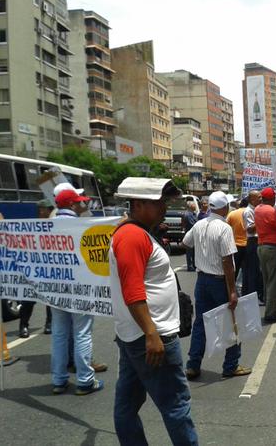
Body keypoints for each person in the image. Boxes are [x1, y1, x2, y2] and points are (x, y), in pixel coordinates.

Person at [108, 178, 198, 445]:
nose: (163, 208)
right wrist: (151, 334)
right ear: (137, 204)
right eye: (158, 202)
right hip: (151, 337)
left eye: (164, 202)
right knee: (176, 406)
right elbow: (133, 292)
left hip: (135, 336)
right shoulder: (132, 236)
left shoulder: (135, 232)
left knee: (127, 404)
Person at [184, 191, 252, 380]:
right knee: (231, 322)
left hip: (202, 279)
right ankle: (231, 365)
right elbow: (227, 262)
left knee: (200, 323)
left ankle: (193, 364)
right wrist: (232, 291)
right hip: (219, 281)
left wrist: (203, 250)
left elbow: (185, 242)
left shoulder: (199, 224)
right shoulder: (224, 228)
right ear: (224, 208)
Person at [50, 187, 103, 395]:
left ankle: (59, 380)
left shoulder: (47, 227)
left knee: (59, 334)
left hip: (54, 288)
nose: (83, 205)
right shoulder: (81, 225)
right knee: (82, 333)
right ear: (71, 205)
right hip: (80, 288)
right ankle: (85, 380)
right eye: (80, 202)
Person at [18, 199, 54, 338]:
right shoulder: (32, 226)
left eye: (47, 209)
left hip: (50, 267)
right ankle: (23, 325)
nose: (45, 211)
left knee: (50, 297)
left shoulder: (54, 225)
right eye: (45, 209)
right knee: (29, 297)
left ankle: (49, 324)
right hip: (34, 268)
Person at [254, 187, 276, 323]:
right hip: (273, 248)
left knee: (267, 280)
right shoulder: (271, 211)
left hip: (262, 246)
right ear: (272, 198)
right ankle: (270, 312)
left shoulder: (258, 209)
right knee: (275, 282)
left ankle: (272, 307)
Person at [242, 190, 264, 303]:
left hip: (259, 241)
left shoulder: (257, 210)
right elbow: (249, 229)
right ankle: (253, 297)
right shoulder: (248, 211)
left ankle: (259, 295)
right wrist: (260, 220)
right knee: (253, 271)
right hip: (252, 241)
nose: (261, 199)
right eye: (258, 197)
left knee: (258, 271)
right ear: (252, 199)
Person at [226, 197, 248, 280]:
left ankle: (231, 288)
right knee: (247, 270)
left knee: (235, 269)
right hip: (249, 245)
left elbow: (226, 227)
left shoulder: (232, 214)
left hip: (236, 245)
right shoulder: (252, 213)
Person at [184, 201, 197, 271]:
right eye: (194, 205)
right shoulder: (188, 214)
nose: (195, 206)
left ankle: (194, 265)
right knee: (189, 251)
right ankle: (190, 266)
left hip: (194, 235)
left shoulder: (193, 214)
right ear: (190, 206)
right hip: (190, 235)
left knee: (194, 251)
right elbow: (193, 224)